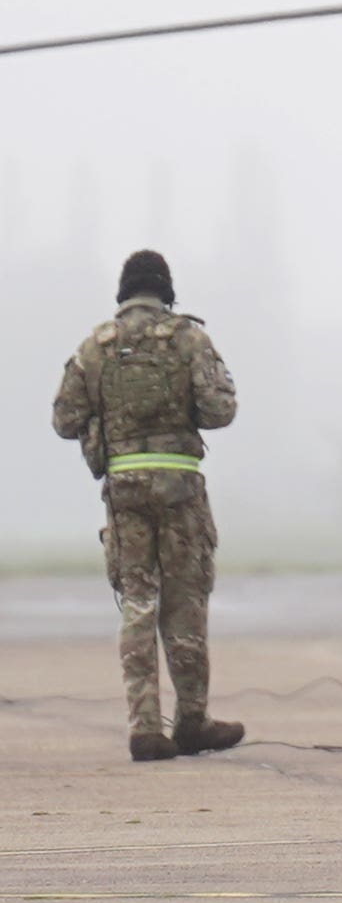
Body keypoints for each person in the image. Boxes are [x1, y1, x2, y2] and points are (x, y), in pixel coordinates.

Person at [49, 250, 243, 762]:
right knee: (185, 602)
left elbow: (65, 418)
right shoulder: (188, 339)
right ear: (166, 291)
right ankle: (192, 720)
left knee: (137, 603)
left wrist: (103, 431)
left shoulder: (96, 346)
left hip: (125, 490)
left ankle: (143, 726)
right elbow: (220, 410)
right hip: (179, 488)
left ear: (124, 291)